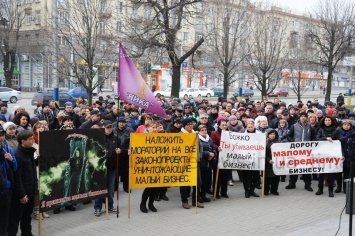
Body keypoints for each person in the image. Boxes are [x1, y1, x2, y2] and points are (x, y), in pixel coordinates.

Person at [8, 130, 37, 236]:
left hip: (30, 191)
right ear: (22, 141)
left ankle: (27, 233)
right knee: (15, 218)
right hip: (22, 194)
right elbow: (17, 177)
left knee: (27, 216)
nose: (33, 140)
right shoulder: (18, 155)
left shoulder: (29, 152)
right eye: (30, 139)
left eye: (32, 138)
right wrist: (22, 194)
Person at [94, 121, 121, 216]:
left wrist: (119, 151)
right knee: (99, 188)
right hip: (100, 167)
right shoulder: (99, 138)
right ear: (103, 128)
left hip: (111, 167)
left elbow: (120, 149)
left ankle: (110, 206)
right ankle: (97, 207)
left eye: (110, 127)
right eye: (107, 127)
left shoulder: (116, 138)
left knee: (110, 188)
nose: (109, 129)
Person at [286, 112, 316, 191]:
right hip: (296, 151)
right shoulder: (294, 126)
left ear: (307, 118)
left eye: (304, 116)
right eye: (301, 116)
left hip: (306, 151)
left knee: (307, 168)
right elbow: (288, 136)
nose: (303, 118)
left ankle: (307, 184)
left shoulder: (310, 127)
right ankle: (292, 183)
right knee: (294, 167)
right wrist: (294, 142)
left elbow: (314, 137)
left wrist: (310, 144)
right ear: (299, 118)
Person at [315, 116, 340, 197]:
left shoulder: (336, 130)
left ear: (332, 121)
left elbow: (339, 142)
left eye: (329, 120)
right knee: (321, 173)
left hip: (332, 155)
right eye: (326, 120)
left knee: (331, 173)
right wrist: (325, 138)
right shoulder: (321, 129)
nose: (327, 121)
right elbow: (317, 139)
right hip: (322, 154)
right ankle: (320, 189)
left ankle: (330, 190)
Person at [0, 126, 17, 236]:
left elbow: (15, 168)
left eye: (1, 135)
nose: (0, 137)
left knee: (4, 218)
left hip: (6, 189)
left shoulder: (7, 149)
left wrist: (11, 160)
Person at [140, 121, 159, 213]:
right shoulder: (142, 137)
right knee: (149, 186)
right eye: (153, 127)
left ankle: (151, 204)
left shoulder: (159, 137)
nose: (155, 129)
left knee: (156, 186)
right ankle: (143, 204)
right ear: (147, 128)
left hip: (157, 164)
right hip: (147, 164)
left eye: (156, 127)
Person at [197, 124, 216, 204]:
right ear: (199, 131)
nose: (204, 131)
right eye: (202, 130)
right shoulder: (197, 138)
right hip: (201, 162)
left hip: (209, 162)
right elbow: (198, 150)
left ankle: (204, 195)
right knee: (200, 181)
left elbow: (213, 148)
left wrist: (213, 154)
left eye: (205, 130)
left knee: (206, 180)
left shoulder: (209, 139)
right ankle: (198, 196)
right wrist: (208, 153)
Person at [242, 121, 261, 198]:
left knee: (255, 176)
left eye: (251, 127)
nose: (250, 128)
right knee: (246, 176)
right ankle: (246, 191)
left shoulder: (259, 134)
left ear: (254, 126)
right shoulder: (242, 135)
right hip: (246, 158)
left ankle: (252, 190)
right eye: (248, 127)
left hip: (256, 157)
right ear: (246, 128)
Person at [211, 119, 229, 198]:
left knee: (225, 176)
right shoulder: (214, 133)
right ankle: (216, 192)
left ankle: (224, 192)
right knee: (217, 175)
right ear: (218, 126)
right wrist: (217, 147)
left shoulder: (229, 133)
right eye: (223, 125)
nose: (224, 126)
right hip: (218, 157)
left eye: (225, 125)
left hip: (227, 157)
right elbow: (212, 144)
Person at [264, 129, 280, 196]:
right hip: (268, 163)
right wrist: (268, 160)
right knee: (267, 177)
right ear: (268, 135)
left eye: (274, 134)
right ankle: (266, 190)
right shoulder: (265, 142)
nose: (273, 136)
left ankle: (274, 190)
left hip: (276, 162)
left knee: (276, 177)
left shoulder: (278, 142)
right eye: (271, 134)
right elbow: (262, 153)